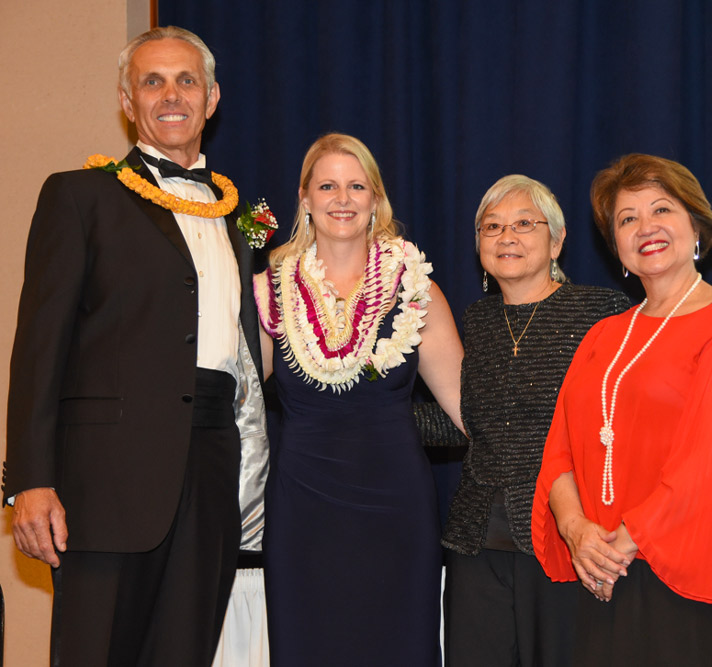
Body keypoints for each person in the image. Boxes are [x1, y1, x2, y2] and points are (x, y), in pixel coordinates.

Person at [2, 26, 268, 667]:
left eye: (187, 81)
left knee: (185, 650)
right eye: (153, 81)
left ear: (212, 99)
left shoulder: (236, 218)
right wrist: (30, 482)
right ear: (128, 101)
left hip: (209, 468)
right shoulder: (79, 196)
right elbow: (39, 345)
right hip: (105, 480)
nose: (171, 95)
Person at [531, 153, 712, 666]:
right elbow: (558, 449)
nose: (645, 228)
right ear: (617, 248)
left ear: (696, 225)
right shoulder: (602, 336)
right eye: (627, 219)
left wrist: (622, 545)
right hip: (606, 577)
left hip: (690, 582)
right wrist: (575, 531)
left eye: (661, 210)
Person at [253, 132, 463, 666]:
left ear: (376, 199)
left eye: (356, 186)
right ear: (305, 198)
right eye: (327, 186)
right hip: (303, 509)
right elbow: (240, 407)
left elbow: (468, 410)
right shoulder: (268, 289)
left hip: (396, 508)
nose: (342, 199)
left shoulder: (417, 288)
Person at [430, 175, 629, 666]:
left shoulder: (602, 314)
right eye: (492, 227)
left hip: (568, 542)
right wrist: (361, 416)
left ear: (557, 239)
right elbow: (468, 418)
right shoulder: (474, 321)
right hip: (475, 545)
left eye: (524, 224)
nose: (506, 237)